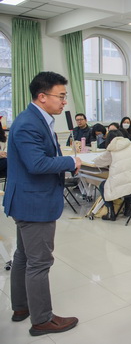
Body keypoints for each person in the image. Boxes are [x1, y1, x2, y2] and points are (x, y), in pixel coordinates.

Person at [3, 71, 82, 336]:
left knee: (23, 256)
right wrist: (70, 162)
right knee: (39, 262)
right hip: (34, 202)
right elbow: (36, 164)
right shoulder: (29, 123)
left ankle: (21, 307)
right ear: (42, 96)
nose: (64, 102)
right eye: (61, 96)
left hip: (27, 199)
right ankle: (42, 319)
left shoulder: (36, 119)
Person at [92, 130, 131, 221]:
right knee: (128, 181)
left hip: (127, 185)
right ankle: (127, 207)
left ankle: (110, 212)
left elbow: (99, 162)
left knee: (103, 185)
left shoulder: (112, 149)